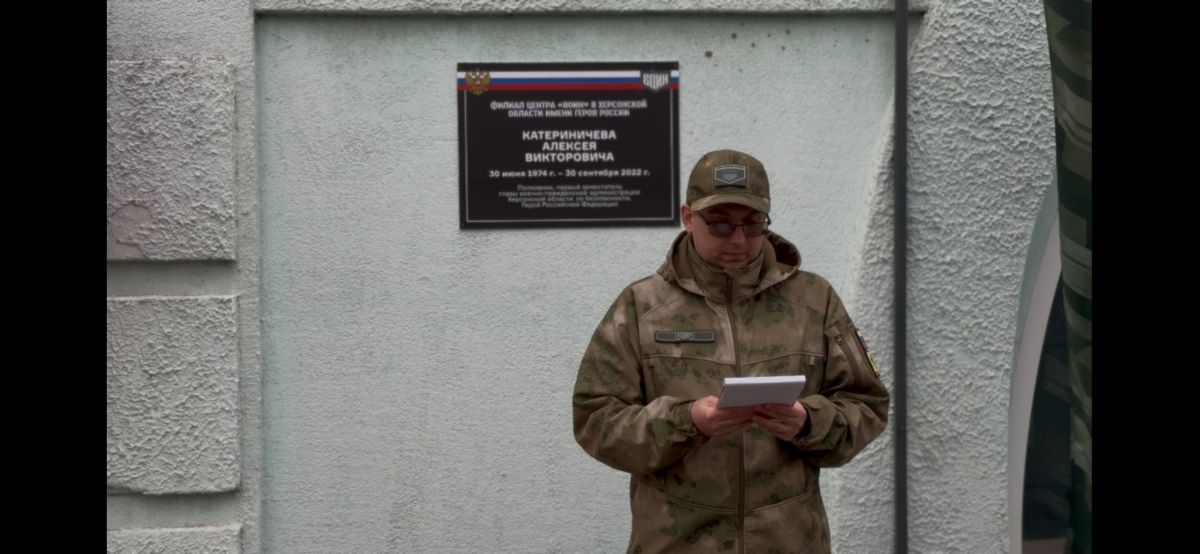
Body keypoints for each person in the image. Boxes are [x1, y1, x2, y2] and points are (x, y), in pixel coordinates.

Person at [572, 149, 890, 553]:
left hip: (789, 541)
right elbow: (595, 419)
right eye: (720, 223)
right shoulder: (641, 307)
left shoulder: (814, 300)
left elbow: (867, 405)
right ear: (688, 217)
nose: (738, 239)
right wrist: (686, 421)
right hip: (676, 542)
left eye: (753, 223)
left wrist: (808, 423)